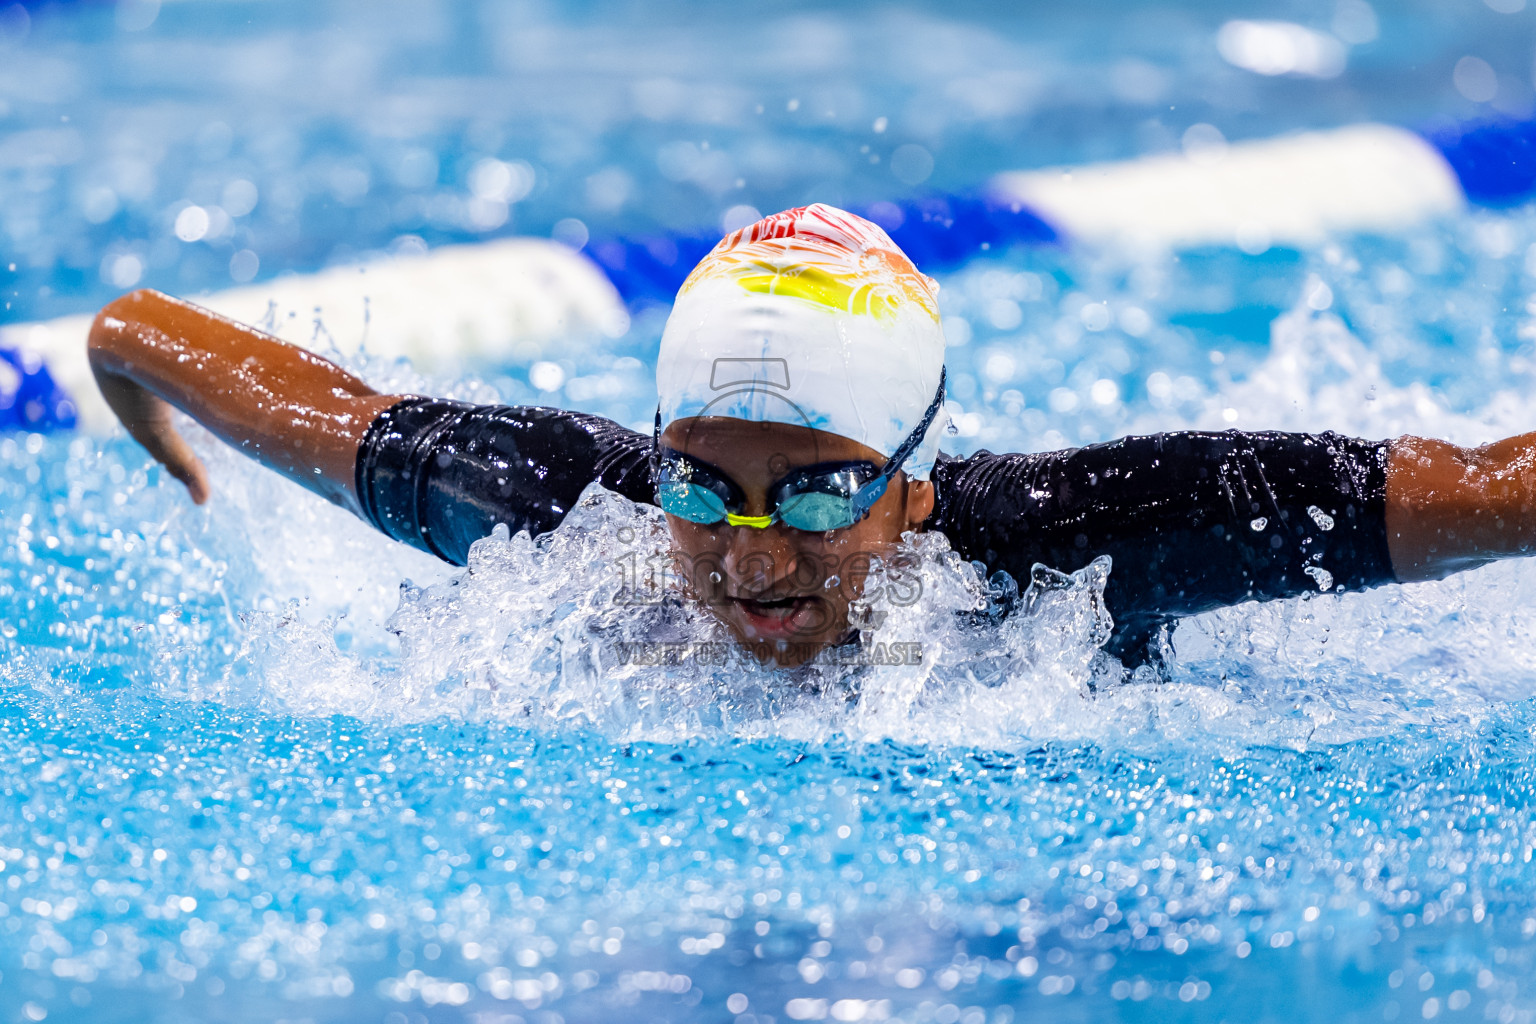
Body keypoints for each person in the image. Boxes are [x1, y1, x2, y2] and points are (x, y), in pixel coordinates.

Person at [86, 204, 1536, 667]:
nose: (753, 554)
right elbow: (196, 353)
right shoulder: (562, 517)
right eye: (700, 486)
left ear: (911, 484)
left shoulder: (1084, 544)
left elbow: (1487, 487)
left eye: (820, 494)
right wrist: (126, 359)